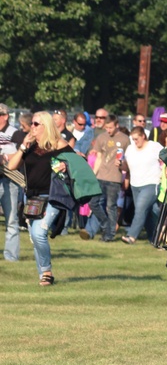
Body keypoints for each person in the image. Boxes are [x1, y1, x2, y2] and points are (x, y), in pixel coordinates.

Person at [4, 112, 71, 284]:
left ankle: (47, 272)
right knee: (35, 237)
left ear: (45, 126)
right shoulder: (30, 146)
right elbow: (11, 166)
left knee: (39, 232)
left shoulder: (58, 144)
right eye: (32, 123)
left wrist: (66, 165)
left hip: (52, 195)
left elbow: (78, 163)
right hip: (32, 197)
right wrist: (23, 146)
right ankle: (43, 274)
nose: (31, 127)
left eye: (35, 124)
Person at [84, 113, 130, 241]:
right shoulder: (101, 138)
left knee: (111, 206)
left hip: (114, 178)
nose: (108, 130)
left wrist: (123, 166)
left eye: (110, 127)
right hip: (100, 176)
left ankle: (109, 235)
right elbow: (99, 157)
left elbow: (129, 159)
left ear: (116, 125)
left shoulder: (125, 139)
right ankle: (105, 225)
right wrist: (93, 174)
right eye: (106, 128)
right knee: (93, 203)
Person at [121, 126, 163, 245]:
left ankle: (131, 236)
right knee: (150, 212)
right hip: (135, 185)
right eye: (133, 139)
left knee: (140, 209)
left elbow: (166, 159)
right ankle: (155, 239)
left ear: (143, 136)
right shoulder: (130, 149)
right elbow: (126, 167)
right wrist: (120, 165)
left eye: (136, 139)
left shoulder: (154, 146)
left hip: (152, 183)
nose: (135, 142)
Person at [0, 103, 21, 261]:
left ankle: (11, 256)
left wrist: (6, 158)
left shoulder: (15, 133)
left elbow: (22, 154)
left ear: (5, 116)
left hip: (9, 179)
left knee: (12, 218)